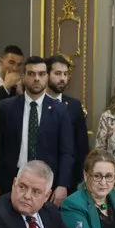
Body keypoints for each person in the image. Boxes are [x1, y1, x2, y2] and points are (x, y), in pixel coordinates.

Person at [0, 56, 74, 205]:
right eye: (31, 74)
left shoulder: (60, 110)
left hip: (45, 184)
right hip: (11, 182)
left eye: (41, 74)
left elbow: (67, 151)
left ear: (47, 76)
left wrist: (63, 185)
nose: (37, 78)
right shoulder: (7, 107)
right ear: (24, 77)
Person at [46, 54, 90, 194]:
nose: (63, 78)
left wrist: (81, 180)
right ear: (46, 75)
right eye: (58, 73)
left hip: (68, 180)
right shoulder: (35, 105)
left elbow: (81, 147)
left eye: (65, 74)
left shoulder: (74, 106)